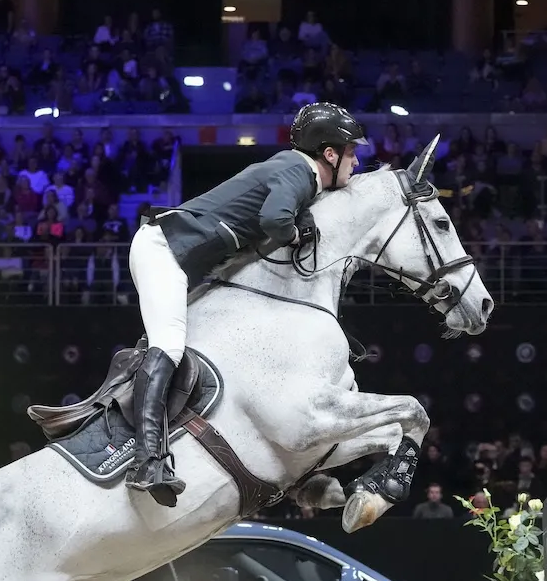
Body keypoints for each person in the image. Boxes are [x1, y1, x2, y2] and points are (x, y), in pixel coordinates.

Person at [124, 102, 367, 506]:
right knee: (168, 345)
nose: (356, 161)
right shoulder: (298, 170)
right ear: (330, 153)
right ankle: (146, 461)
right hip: (163, 251)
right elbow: (275, 221)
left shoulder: (299, 175)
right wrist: (297, 234)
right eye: (352, 152)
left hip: (182, 257)